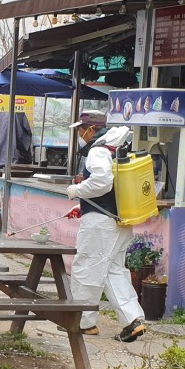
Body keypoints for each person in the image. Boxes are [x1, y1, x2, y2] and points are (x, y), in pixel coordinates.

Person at [64, 110, 146, 343]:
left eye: (81, 129)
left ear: (91, 129)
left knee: (86, 268)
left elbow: (101, 182)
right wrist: (85, 205)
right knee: (113, 271)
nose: (79, 133)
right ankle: (133, 321)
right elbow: (112, 189)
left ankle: (81, 322)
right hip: (119, 220)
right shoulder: (119, 147)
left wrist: (77, 191)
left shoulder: (98, 150)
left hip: (101, 224)